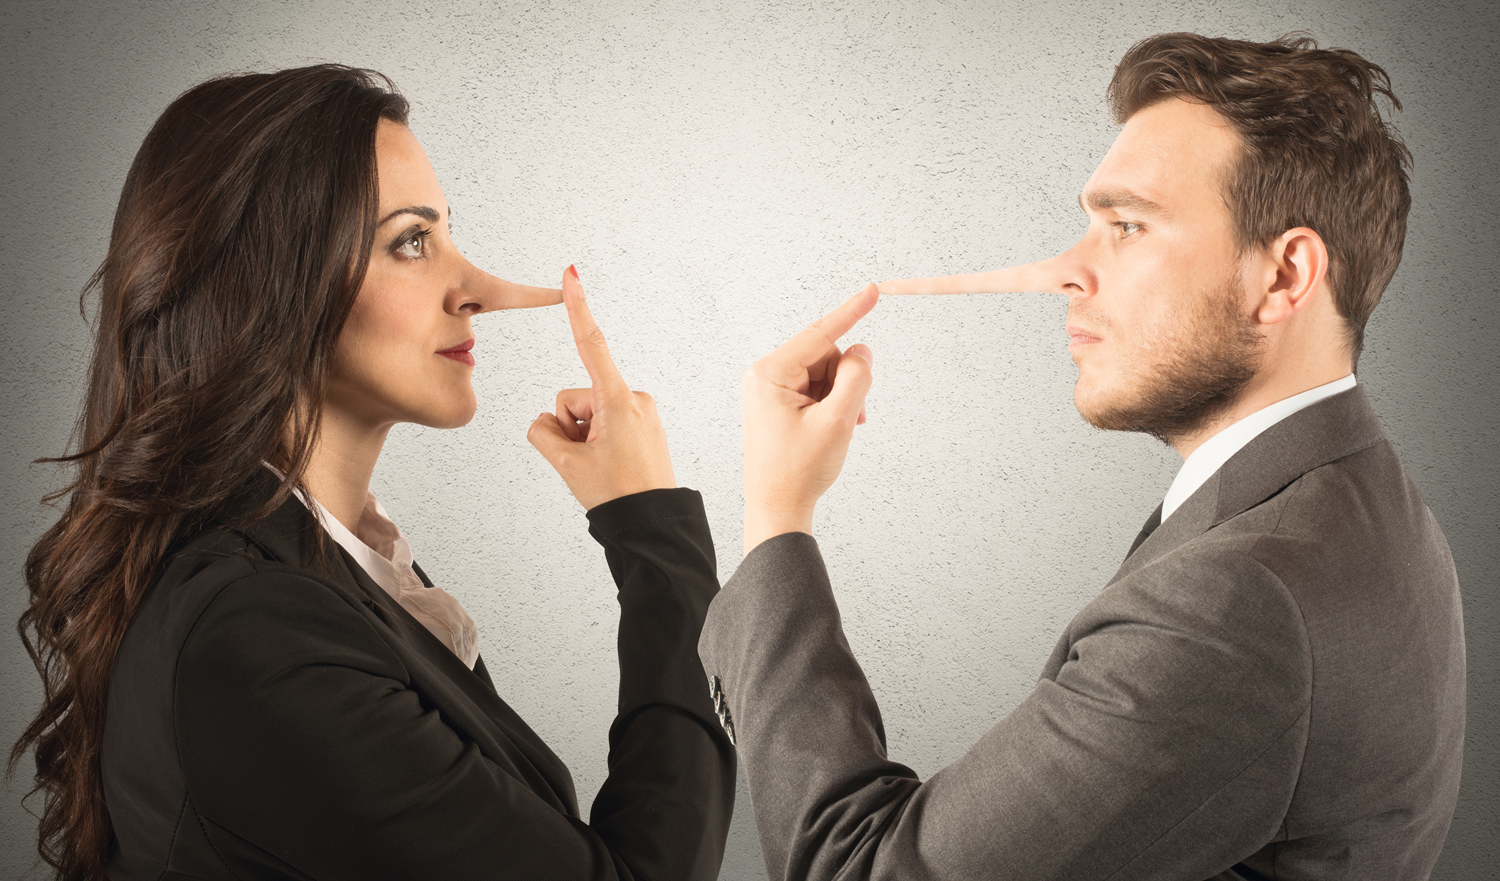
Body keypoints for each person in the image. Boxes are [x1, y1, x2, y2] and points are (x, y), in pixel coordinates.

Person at [699, 32, 1465, 880]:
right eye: (1090, 225)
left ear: (1285, 276)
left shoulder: (1238, 600)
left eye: (1128, 226)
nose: (1066, 272)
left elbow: (858, 869)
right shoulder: (1360, 496)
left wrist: (777, 515)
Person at [11, 65, 734, 880]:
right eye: (411, 241)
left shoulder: (335, 579)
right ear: (271, 287)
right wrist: (652, 525)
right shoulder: (257, 635)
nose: (476, 290)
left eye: (447, 233)